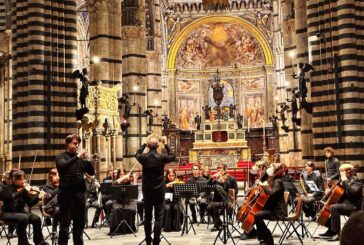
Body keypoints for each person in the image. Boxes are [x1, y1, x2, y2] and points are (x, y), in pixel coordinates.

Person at [136, 135, 176, 245]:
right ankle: (156, 241)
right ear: (158, 146)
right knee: (159, 217)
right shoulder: (161, 157)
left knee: (147, 216)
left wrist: (144, 144)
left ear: (148, 146)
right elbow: (172, 156)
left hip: (147, 191)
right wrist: (166, 143)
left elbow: (137, 154)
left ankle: (148, 240)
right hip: (159, 191)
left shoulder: (143, 157)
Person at [56, 134, 95, 245]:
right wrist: (77, 156)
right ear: (68, 143)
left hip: (80, 196)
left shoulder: (81, 160)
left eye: (77, 143)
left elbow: (91, 172)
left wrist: (87, 160)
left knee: (79, 227)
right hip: (66, 196)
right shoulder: (61, 157)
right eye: (74, 143)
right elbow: (63, 166)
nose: (76, 145)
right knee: (64, 227)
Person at [0, 170, 48, 245]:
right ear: (13, 180)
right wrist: (24, 191)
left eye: (23, 179)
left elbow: (30, 204)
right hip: (7, 213)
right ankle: (23, 243)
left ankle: (39, 242)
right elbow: (11, 197)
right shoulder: (6, 188)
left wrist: (38, 197)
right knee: (24, 217)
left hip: (20, 212)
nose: (23, 181)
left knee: (36, 218)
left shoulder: (23, 189)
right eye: (20, 179)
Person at [319, 163, 363, 241]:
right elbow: (340, 193)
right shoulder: (344, 180)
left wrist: (345, 181)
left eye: (341, 171)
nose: (340, 173)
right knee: (329, 206)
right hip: (346, 203)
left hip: (353, 205)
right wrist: (329, 192)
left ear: (348, 171)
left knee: (334, 208)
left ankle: (337, 233)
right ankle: (331, 230)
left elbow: (354, 192)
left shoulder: (355, 180)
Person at [254, 164, 287, 245]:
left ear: (276, 170)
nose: (270, 168)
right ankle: (264, 238)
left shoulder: (278, 181)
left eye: (272, 167)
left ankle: (268, 238)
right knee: (256, 215)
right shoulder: (272, 179)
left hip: (277, 211)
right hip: (272, 208)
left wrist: (264, 185)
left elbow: (272, 193)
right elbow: (263, 183)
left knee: (257, 215)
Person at [42, 168, 60, 234]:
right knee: (58, 210)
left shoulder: (59, 185)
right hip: (49, 207)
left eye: (59, 176)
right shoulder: (45, 187)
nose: (58, 178)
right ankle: (54, 230)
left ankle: (63, 229)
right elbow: (52, 197)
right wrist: (60, 187)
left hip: (60, 206)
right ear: (50, 177)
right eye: (56, 176)